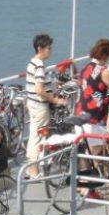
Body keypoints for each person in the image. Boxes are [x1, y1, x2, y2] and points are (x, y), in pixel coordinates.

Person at [75, 39, 109, 156]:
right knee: (100, 152)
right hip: (94, 117)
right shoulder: (103, 71)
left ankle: (87, 170)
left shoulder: (86, 68)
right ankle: (105, 173)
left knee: (88, 151)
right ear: (105, 55)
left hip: (81, 112)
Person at [24, 34, 66, 177]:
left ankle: (30, 166)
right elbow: (39, 90)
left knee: (33, 135)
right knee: (38, 137)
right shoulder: (40, 65)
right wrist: (56, 100)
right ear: (40, 48)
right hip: (40, 106)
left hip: (32, 103)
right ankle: (34, 170)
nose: (50, 51)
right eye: (48, 48)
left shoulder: (32, 62)